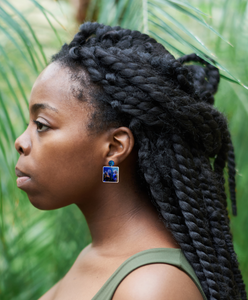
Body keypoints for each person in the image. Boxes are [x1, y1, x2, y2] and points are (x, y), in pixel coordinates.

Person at [14, 22, 246, 300]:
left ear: (114, 147)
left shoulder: (153, 287)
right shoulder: (97, 254)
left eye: (41, 125)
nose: (21, 142)